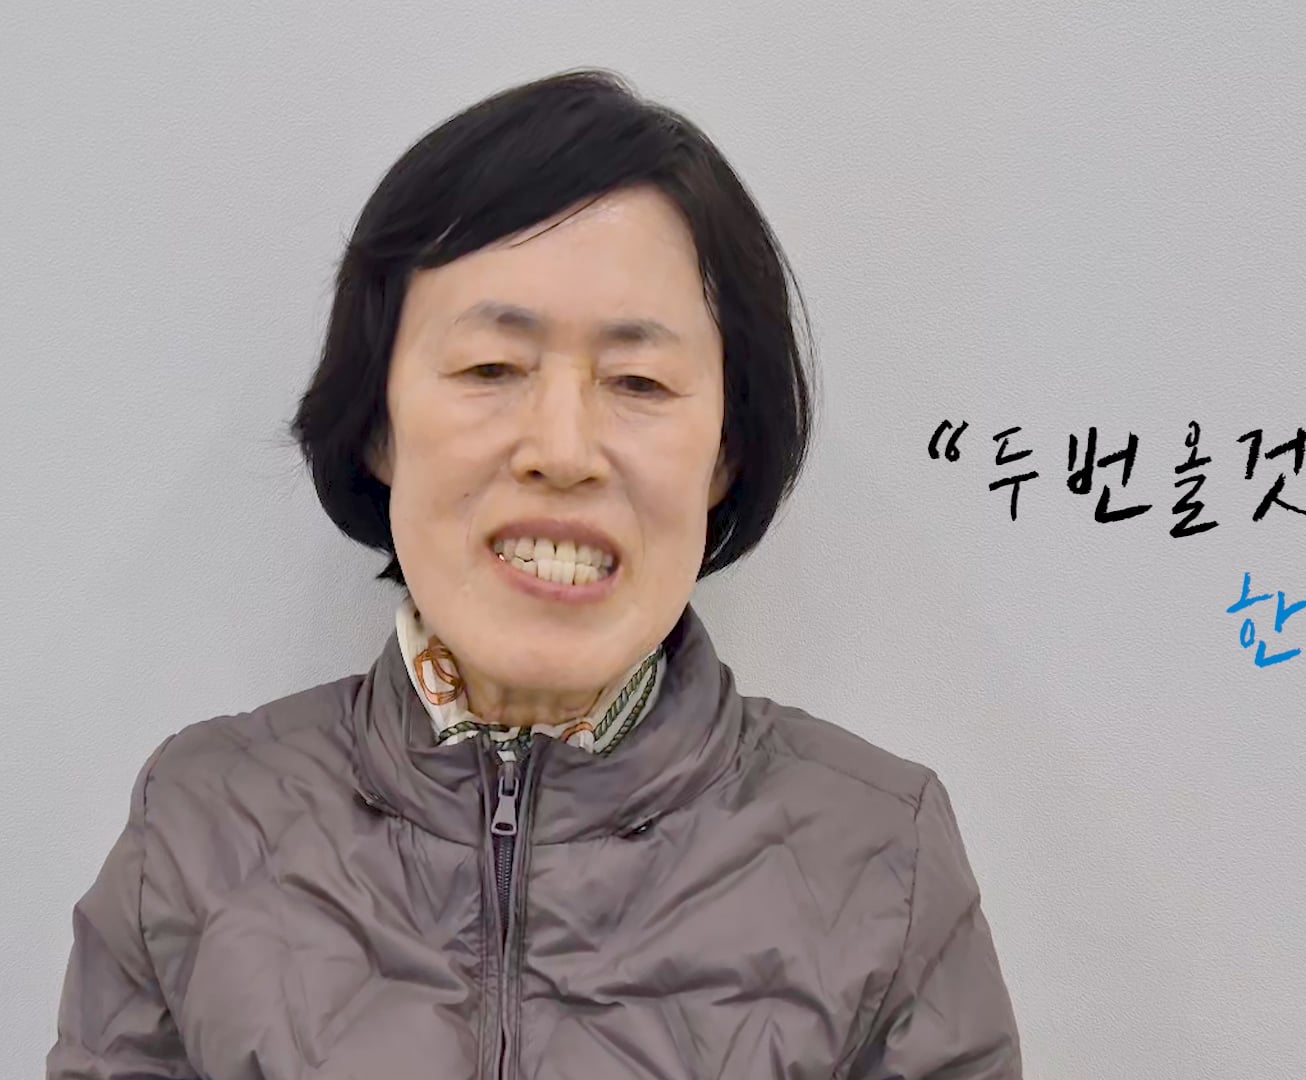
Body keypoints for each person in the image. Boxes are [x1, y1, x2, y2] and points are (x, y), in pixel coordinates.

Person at [48, 68, 1022, 1079]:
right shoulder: (196, 832)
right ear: (378, 425)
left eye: (639, 381)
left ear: (725, 453)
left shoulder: (884, 861)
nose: (562, 450)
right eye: (490, 369)